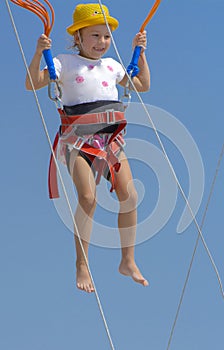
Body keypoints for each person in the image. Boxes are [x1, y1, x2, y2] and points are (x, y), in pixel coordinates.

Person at [26, 3, 150, 293]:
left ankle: (127, 261)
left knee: (129, 196)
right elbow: (32, 83)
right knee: (87, 198)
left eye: (106, 37)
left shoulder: (113, 66)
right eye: (94, 36)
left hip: (110, 140)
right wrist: (38, 52)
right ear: (78, 37)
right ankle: (82, 264)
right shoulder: (64, 62)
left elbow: (142, 84)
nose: (101, 43)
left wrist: (141, 54)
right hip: (77, 141)